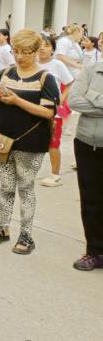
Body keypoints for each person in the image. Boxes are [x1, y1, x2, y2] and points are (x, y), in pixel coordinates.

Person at [0, 29, 59, 255]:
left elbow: (48, 113)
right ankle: (3, 226)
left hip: (31, 143)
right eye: (16, 51)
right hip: (3, 140)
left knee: (25, 187)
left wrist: (17, 101)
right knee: (6, 186)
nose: (20, 56)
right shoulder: (5, 73)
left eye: (26, 52)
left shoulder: (45, 78)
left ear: (36, 52)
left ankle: (26, 233)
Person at [68, 58, 103, 270]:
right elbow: (73, 101)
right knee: (90, 201)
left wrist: (91, 97)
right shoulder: (92, 68)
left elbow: (83, 101)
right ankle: (95, 251)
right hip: (86, 143)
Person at [37, 36, 75, 188]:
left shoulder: (57, 65)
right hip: (32, 110)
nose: (42, 48)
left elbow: (69, 83)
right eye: (39, 45)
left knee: (53, 144)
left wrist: (60, 100)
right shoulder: (31, 64)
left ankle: (55, 175)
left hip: (53, 112)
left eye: (46, 45)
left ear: (52, 49)